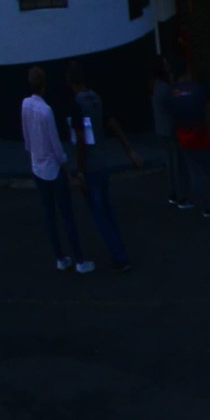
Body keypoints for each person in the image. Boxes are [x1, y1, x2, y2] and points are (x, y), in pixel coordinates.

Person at [67, 63, 138, 273]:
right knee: (107, 210)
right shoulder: (96, 98)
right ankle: (119, 250)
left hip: (90, 166)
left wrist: (79, 170)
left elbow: (80, 141)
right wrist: (129, 150)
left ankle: (119, 256)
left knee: (99, 214)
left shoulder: (76, 105)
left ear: (70, 82)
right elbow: (112, 124)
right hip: (103, 161)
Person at [22, 66, 90, 272]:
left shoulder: (25, 104)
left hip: (37, 166)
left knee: (49, 214)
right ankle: (79, 259)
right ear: (44, 85)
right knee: (66, 214)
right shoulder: (46, 111)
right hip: (53, 168)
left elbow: (26, 135)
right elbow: (55, 144)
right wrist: (65, 163)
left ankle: (60, 257)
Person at [168, 63, 210, 218]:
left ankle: (205, 207)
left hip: (184, 135)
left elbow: (171, 113)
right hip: (200, 133)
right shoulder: (197, 88)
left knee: (195, 173)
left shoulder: (172, 92)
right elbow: (204, 106)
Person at [149, 56, 193, 209]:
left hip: (162, 129)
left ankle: (174, 193)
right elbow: (173, 107)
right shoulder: (164, 88)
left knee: (171, 162)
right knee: (177, 163)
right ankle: (182, 196)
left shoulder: (156, 86)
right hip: (170, 129)